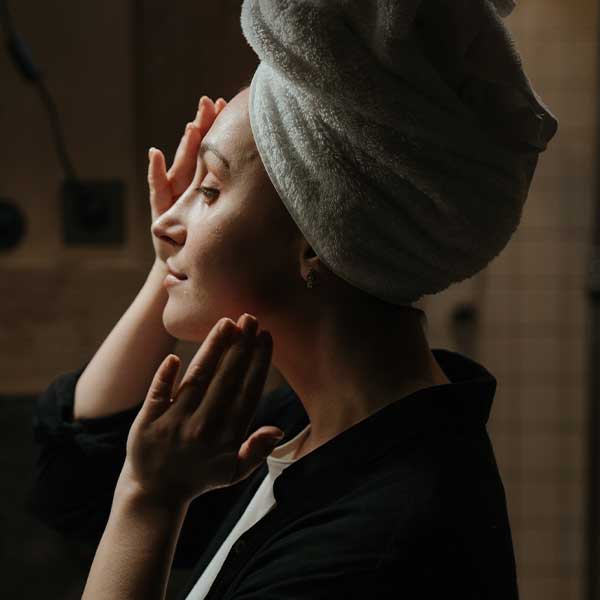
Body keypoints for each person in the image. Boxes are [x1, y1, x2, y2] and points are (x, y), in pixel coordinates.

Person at [28, 1, 559, 598]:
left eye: (207, 188)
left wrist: (150, 503)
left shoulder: (377, 548)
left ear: (316, 244)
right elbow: (76, 483)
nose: (163, 221)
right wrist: (175, 257)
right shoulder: (311, 428)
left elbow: (111, 494)